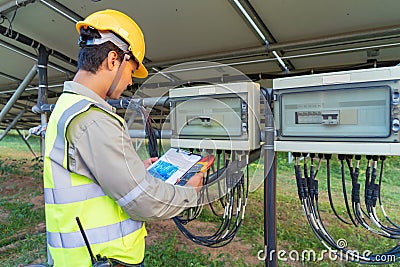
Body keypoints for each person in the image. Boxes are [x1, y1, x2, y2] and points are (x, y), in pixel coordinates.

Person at [43, 9, 203, 267]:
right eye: (131, 69)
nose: (130, 80)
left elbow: (86, 176)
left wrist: (132, 170)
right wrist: (190, 192)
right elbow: (142, 200)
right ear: (112, 59)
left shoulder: (68, 106)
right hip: (100, 259)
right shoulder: (92, 119)